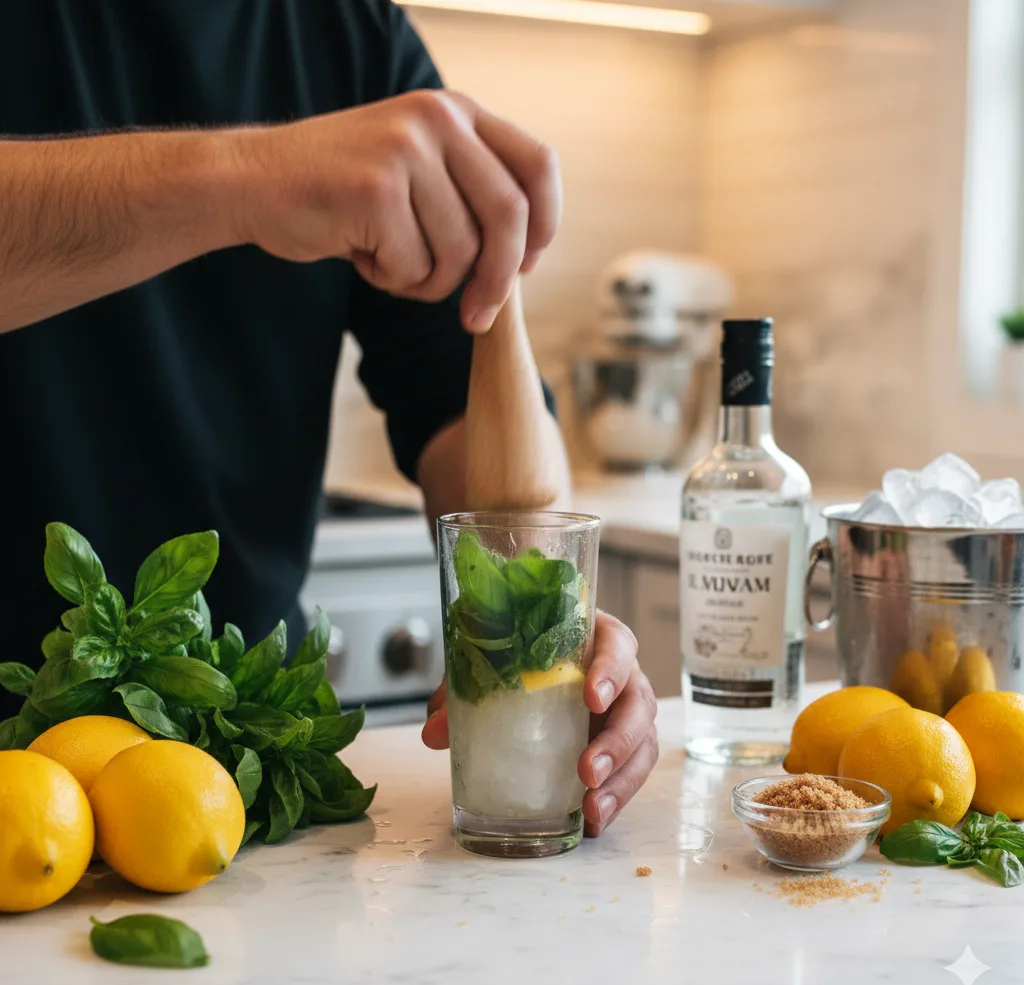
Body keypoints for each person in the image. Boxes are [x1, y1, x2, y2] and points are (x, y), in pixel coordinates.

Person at [0, 0, 658, 837]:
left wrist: (543, 644)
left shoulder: (349, 35)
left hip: (241, 774)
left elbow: (460, 405)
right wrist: (243, 179)